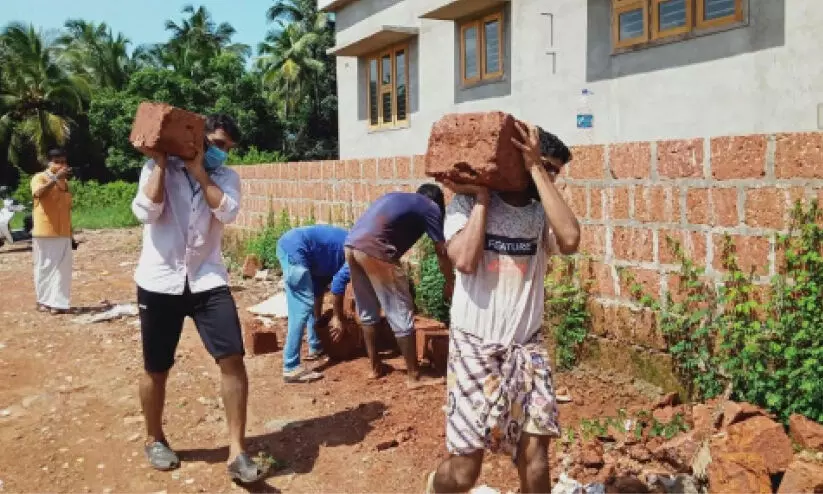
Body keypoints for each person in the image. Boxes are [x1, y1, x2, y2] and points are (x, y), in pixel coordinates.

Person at [425, 123, 581, 494]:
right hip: (473, 350)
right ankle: (434, 484)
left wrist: (538, 171)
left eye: (555, 171)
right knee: (464, 474)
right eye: (548, 167)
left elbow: (571, 238)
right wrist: (482, 194)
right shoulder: (464, 204)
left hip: (527, 349)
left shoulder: (541, 212)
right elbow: (462, 259)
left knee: (535, 458)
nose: (552, 177)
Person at [131, 114, 264, 484]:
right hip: (159, 281)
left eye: (228, 148)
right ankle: (154, 438)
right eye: (217, 144)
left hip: (207, 279)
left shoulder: (225, 178)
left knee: (232, 358)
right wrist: (160, 162)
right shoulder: (157, 169)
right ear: (198, 138)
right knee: (156, 367)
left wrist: (201, 172)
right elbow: (146, 211)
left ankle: (237, 450)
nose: (222, 153)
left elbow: (229, 211)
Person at [344, 184, 455, 389]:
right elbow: (441, 250)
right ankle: (414, 376)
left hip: (351, 245)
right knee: (400, 310)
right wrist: (450, 281)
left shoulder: (399, 198)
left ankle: (374, 367)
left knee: (367, 309)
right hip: (375, 249)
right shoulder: (431, 207)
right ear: (438, 201)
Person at [276, 224, 351, 383]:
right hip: (296, 250)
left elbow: (320, 287)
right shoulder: (358, 253)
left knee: (310, 302)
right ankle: (291, 366)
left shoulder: (337, 255)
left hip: (298, 249)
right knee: (301, 307)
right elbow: (338, 283)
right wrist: (337, 317)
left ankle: (315, 345)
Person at [31, 148, 77, 315]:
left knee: (62, 270)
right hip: (45, 231)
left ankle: (57, 303)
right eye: (57, 162)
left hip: (63, 233)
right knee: (44, 267)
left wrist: (71, 235)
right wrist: (55, 177)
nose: (61, 165)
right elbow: (38, 193)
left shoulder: (64, 184)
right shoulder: (39, 177)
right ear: (49, 163)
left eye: (63, 162)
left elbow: (66, 210)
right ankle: (43, 301)